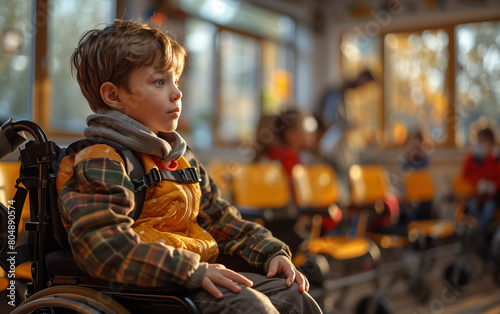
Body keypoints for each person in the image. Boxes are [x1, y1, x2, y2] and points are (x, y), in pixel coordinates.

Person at [57, 19, 321, 314]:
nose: (176, 93)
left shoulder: (181, 158)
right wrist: (190, 270)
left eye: (176, 81)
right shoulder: (102, 159)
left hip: (194, 274)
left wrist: (270, 251)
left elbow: (221, 220)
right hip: (145, 287)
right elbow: (102, 246)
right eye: (159, 81)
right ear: (114, 96)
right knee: (250, 307)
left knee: (295, 297)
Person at [462, 127, 500, 229]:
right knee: (472, 205)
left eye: (484, 140)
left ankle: (480, 233)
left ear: (491, 143)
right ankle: (475, 232)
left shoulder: (495, 161)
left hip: (490, 199)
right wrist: (477, 184)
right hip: (473, 196)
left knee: (489, 208)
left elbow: (498, 179)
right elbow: (464, 177)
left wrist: (493, 186)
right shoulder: (470, 159)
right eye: (479, 140)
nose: (481, 143)